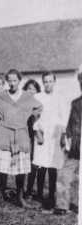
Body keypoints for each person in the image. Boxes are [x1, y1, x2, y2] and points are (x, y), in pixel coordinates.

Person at [0, 69, 42, 208]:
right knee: (1, 167)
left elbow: (39, 107)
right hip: (3, 133)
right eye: (10, 81)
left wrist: (30, 116)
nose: (12, 83)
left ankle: (20, 197)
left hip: (21, 134)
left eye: (15, 80)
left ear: (19, 81)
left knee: (21, 169)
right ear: (7, 81)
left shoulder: (27, 96)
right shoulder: (2, 95)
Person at [26, 73, 67, 210]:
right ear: (43, 83)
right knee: (41, 165)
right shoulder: (38, 98)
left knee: (53, 166)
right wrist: (37, 132)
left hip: (55, 135)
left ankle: (51, 195)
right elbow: (34, 118)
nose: (48, 84)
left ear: (54, 82)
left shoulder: (60, 97)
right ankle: (39, 194)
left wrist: (62, 136)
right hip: (42, 135)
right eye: (45, 81)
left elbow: (63, 118)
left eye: (50, 81)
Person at [52, 70, 82, 215]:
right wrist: (66, 136)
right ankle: (62, 205)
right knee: (64, 175)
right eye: (81, 81)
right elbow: (71, 124)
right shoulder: (76, 103)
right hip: (76, 146)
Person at [22, 79, 42, 203]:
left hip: (37, 137)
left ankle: (35, 191)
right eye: (29, 89)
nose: (31, 91)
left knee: (37, 165)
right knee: (27, 163)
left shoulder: (40, 103)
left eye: (34, 89)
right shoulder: (23, 104)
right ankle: (25, 190)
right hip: (26, 136)